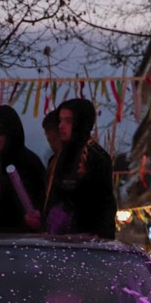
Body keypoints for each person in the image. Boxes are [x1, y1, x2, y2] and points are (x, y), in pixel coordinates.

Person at [42, 98, 116, 239]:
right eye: (60, 120)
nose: (61, 126)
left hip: (85, 241)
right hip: (58, 238)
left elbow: (101, 205)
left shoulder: (94, 157)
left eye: (68, 121)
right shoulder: (60, 157)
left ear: (81, 123)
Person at [0, 105, 45, 233]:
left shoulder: (28, 161)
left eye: (0, 130)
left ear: (11, 132)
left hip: (21, 239)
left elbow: (40, 201)